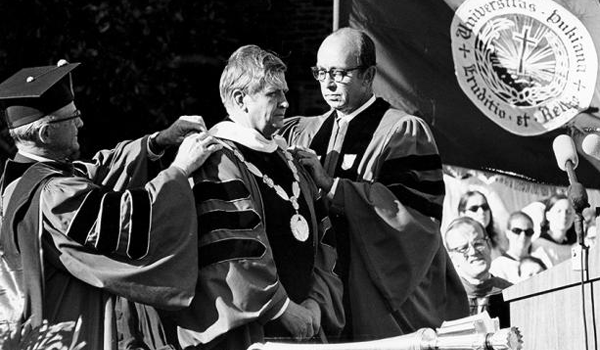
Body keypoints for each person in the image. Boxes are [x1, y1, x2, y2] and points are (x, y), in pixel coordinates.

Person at [0, 61, 222, 350]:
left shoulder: (23, 180)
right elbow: (124, 219)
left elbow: (100, 171)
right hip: (69, 333)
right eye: (71, 117)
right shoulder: (55, 195)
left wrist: (159, 141)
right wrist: (179, 171)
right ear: (45, 134)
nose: (80, 123)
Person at [281, 27, 468, 341]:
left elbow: (411, 216)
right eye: (321, 72)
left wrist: (333, 186)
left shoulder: (403, 131)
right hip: (319, 291)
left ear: (368, 75)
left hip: (371, 294)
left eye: (339, 73)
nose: (327, 83)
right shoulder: (303, 132)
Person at [174, 45, 344, 350]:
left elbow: (324, 242)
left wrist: (317, 303)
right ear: (240, 99)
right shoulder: (217, 160)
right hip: (250, 335)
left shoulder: (293, 161)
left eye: (284, 92)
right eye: (273, 94)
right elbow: (232, 250)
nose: (285, 102)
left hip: (306, 328)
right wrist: (283, 308)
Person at [445, 217, 512, 328]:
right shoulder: (445, 298)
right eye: (463, 248)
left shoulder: (510, 292)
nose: (473, 252)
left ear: (489, 245)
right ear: (452, 257)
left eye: (478, 244)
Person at [531, 194, 577, 268]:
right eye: (559, 211)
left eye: (569, 212)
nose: (564, 216)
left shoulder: (574, 247)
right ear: (548, 215)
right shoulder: (539, 246)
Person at [490, 211, 537, 283]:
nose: (523, 236)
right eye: (517, 231)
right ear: (507, 233)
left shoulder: (539, 263)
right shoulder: (498, 266)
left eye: (528, 232)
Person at [457, 190, 506, 260]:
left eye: (485, 207)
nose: (482, 212)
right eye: (474, 208)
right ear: (462, 214)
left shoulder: (499, 241)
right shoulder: (459, 246)